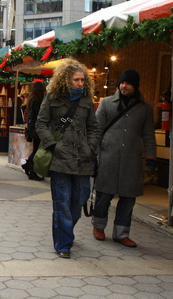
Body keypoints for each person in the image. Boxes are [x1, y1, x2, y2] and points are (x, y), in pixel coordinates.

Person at [35, 58, 100, 259]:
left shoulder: (86, 100)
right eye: (76, 80)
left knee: (79, 200)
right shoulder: (53, 98)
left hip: (83, 159)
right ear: (65, 80)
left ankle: (65, 232)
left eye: (82, 80)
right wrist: (53, 146)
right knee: (62, 202)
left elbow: (93, 127)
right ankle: (64, 244)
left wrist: (91, 148)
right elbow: (41, 124)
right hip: (60, 159)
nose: (80, 84)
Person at [92, 69, 156, 248]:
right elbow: (96, 131)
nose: (123, 86)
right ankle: (98, 226)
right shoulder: (106, 103)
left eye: (128, 83)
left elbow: (149, 135)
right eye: (122, 82)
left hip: (132, 160)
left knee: (128, 198)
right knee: (104, 195)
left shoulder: (145, 108)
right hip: (108, 156)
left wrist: (151, 158)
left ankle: (121, 233)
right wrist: (93, 154)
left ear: (135, 86)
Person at [22, 81, 46, 181]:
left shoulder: (31, 99)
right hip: (37, 129)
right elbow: (40, 115)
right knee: (36, 149)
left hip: (33, 128)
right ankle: (31, 170)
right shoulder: (38, 101)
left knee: (36, 149)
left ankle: (28, 165)